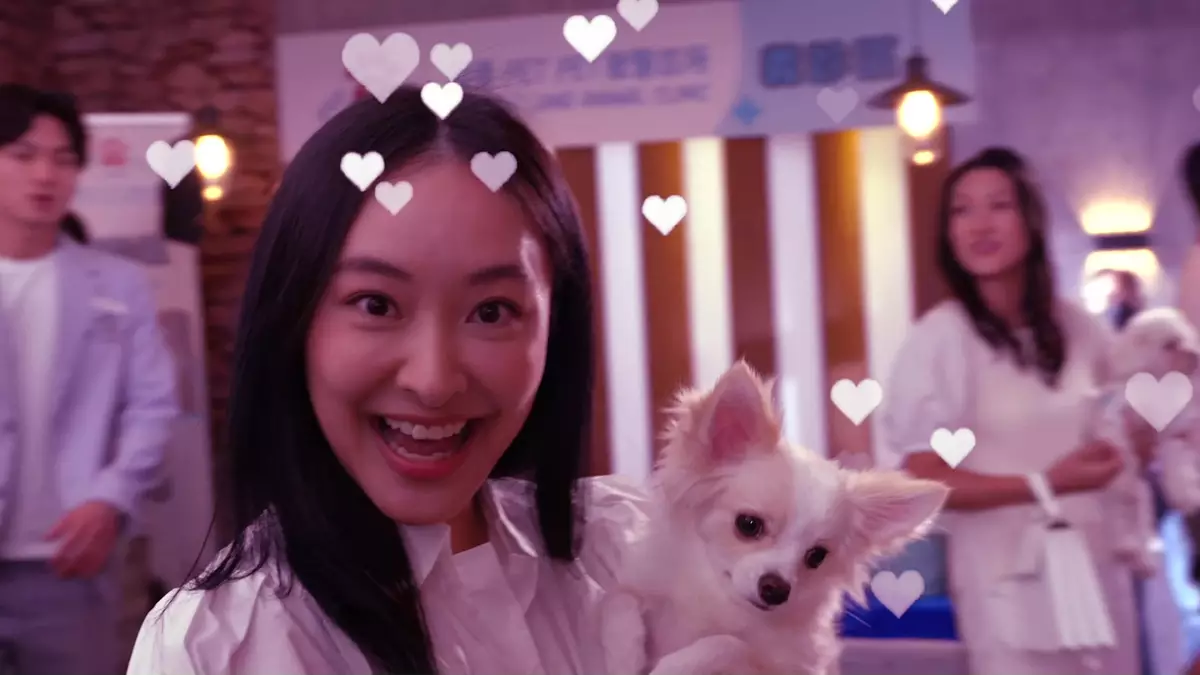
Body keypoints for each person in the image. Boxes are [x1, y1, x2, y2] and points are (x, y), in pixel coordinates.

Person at [126, 85, 650, 675]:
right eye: (376, 304)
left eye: (492, 311)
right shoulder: (220, 650)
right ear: (292, 316)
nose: (434, 381)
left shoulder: (630, 558)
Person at [878, 147, 1143, 675]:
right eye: (961, 210)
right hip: (1004, 579)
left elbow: (1115, 432)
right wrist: (1046, 483)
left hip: (1094, 569)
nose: (979, 224)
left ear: (1031, 220)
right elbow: (924, 478)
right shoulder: (941, 338)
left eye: (999, 205)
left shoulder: (1081, 328)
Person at [0, 84, 179, 674]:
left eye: (63, 158)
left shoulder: (117, 284)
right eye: (23, 155)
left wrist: (110, 496)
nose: (44, 174)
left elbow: (152, 404)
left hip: (68, 563)